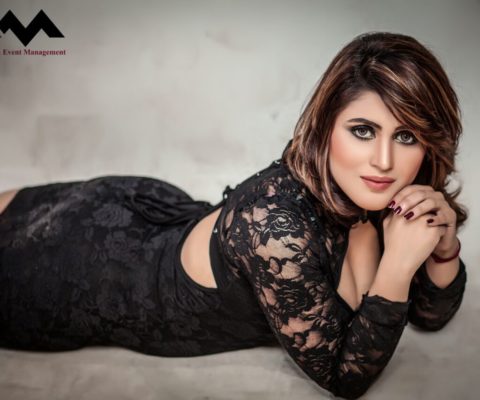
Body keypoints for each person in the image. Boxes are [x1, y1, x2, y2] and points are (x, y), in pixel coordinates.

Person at [0, 31, 468, 399]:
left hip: (151, 217)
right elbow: (346, 379)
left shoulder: (380, 196)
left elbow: (428, 317)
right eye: (362, 130)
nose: (384, 161)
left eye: (406, 136)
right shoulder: (278, 229)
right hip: (88, 274)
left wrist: (443, 249)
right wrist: (397, 264)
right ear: (326, 128)